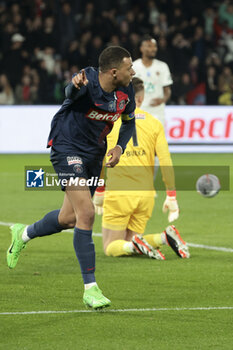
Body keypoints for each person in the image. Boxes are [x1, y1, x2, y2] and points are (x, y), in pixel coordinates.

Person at [7, 46, 136, 309]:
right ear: (114, 72)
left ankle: (23, 234)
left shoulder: (126, 90)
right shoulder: (86, 81)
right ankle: (91, 288)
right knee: (87, 213)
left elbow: (129, 121)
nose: (132, 72)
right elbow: (71, 92)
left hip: (94, 154)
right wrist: (73, 85)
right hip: (67, 148)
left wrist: (119, 147)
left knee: (69, 218)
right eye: (128, 67)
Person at [93, 77, 190, 260]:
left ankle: (142, 243)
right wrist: (171, 195)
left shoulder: (109, 123)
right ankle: (164, 237)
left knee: (110, 246)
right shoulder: (154, 123)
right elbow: (165, 160)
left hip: (119, 193)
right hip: (146, 196)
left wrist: (99, 190)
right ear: (140, 99)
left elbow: (99, 159)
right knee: (130, 243)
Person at [133, 35, 173, 125]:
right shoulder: (134, 66)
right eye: (149, 46)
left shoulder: (162, 66)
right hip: (140, 110)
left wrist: (163, 99)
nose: (153, 49)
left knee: (158, 138)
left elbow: (167, 90)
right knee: (141, 138)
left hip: (157, 111)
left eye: (154, 46)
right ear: (141, 48)